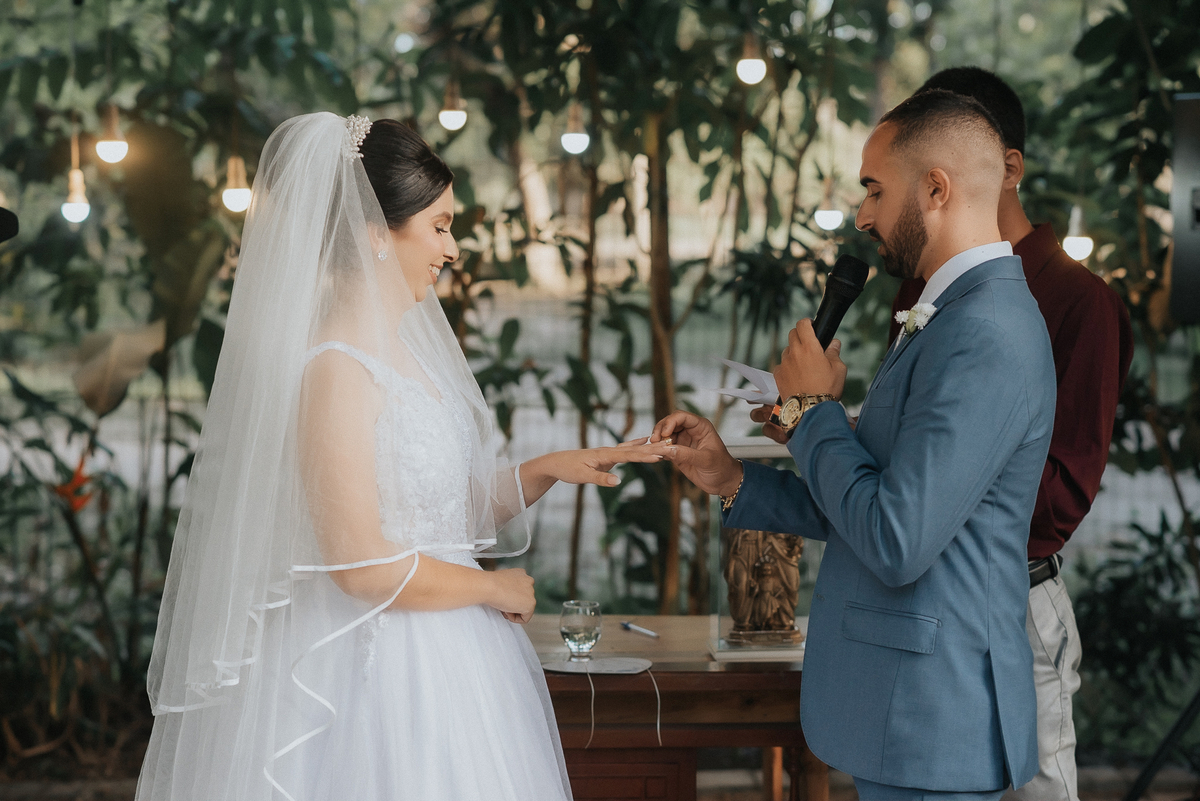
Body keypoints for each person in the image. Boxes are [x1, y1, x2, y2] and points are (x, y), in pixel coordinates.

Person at [136, 112, 670, 801]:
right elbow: (359, 561)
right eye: (440, 226)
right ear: (374, 235)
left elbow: (443, 512)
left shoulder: (408, 355)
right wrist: (491, 587)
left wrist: (550, 467)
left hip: (451, 657)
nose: (453, 249)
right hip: (373, 669)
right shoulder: (336, 370)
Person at [652, 89, 1056, 799]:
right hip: (901, 711)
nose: (864, 215)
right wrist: (732, 479)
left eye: (875, 189)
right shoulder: (946, 313)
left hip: (936, 717)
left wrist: (811, 412)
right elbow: (870, 495)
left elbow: (897, 536)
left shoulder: (987, 331)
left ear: (936, 188)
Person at [885, 67, 1133, 801]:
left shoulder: (1080, 304)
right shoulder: (919, 286)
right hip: (920, 593)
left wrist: (935, 493)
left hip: (1011, 599)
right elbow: (913, 448)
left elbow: (1059, 498)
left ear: (1007, 168)